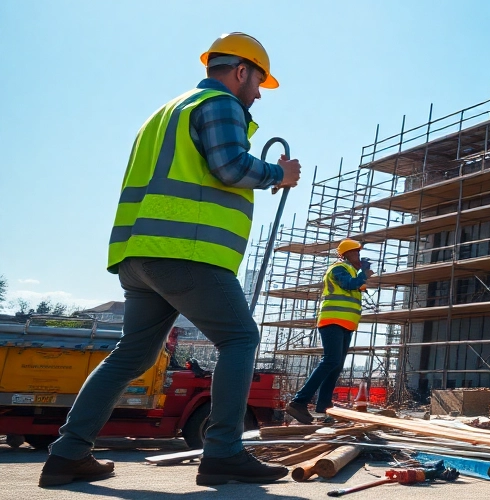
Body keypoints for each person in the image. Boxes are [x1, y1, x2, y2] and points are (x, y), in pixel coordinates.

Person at [40, 33, 301, 488]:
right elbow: (231, 168)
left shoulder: (165, 113)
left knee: (131, 355)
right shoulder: (222, 105)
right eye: (258, 81)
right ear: (241, 71)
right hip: (187, 252)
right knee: (240, 339)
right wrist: (281, 174)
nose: (258, 93)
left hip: (139, 255)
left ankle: (67, 454)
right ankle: (223, 453)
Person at [286, 239, 374, 424]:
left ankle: (323, 406)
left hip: (346, 324)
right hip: (332, 320)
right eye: (356, 253)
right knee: (331, 360)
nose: (358, 256)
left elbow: (357, 287)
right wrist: (362, 275)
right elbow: (349, 285)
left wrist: (362, 276)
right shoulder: (338, 268)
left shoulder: (351, 271)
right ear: (346, 254)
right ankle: (299, 401)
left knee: (336, 365)